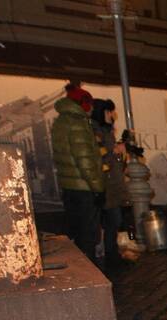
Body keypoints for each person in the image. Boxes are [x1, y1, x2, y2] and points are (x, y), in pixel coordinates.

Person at [51, 81, 104, 264]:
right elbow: (85, 160)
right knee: (87, 233)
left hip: (70, 186)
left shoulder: (60, 122)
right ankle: (89, 270)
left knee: (76, 229)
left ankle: (80, 268)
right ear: (83, 104)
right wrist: (98, 188)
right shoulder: (78, 123)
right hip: (84, 187)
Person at [90, 98, 127, 269]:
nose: (112, 115)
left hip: (112, 184)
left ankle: (112, 255)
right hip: (105, 185)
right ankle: (111, 257)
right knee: (113, 220)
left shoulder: (107, 131)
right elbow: (99, 157)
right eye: (109, 111)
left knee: (114, 221)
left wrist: (118, 153)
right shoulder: (96, 132)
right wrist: (114, 151)